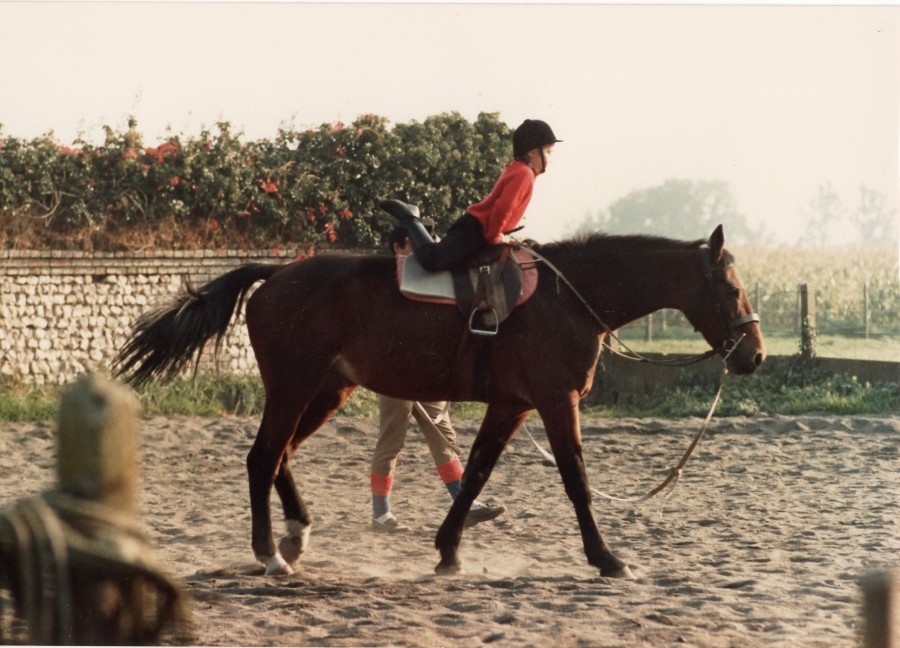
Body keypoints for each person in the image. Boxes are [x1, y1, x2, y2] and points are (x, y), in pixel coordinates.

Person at [371, 224, 507, 533]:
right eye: (415, 241)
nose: (426, 245)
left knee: (444, 435)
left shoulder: (431, 278)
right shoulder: (386, 280)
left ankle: (464, 504)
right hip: (395, 372)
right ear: (398, 247)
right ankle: (381, 514)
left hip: (429, 372)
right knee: (391, 440)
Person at [379, 118, 561, 272]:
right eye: (548, 152)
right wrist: (496, 236)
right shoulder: (524, 174)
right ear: (532, 152)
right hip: (475, 230)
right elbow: (503, 207)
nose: (551, 158)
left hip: (479, 230)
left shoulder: (519, 169)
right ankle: (410, 218)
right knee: (433, 260)